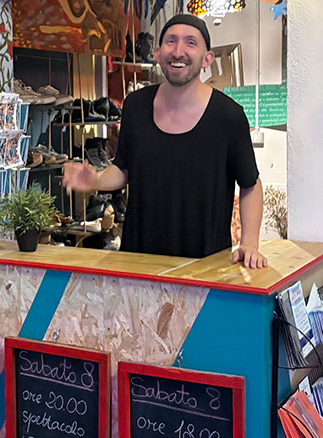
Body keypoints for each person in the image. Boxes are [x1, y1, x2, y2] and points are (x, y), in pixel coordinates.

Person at [63, 13, 268, 268]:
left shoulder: (228, 116)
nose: (178, 51)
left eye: (190, 43)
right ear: (158, 54)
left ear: (207, 59)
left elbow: (250, 184)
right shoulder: (135, 107)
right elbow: (124, 168)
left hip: (204, 268)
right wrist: (96, 179)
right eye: (171, 41)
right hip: (139, 264)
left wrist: (249, 243)